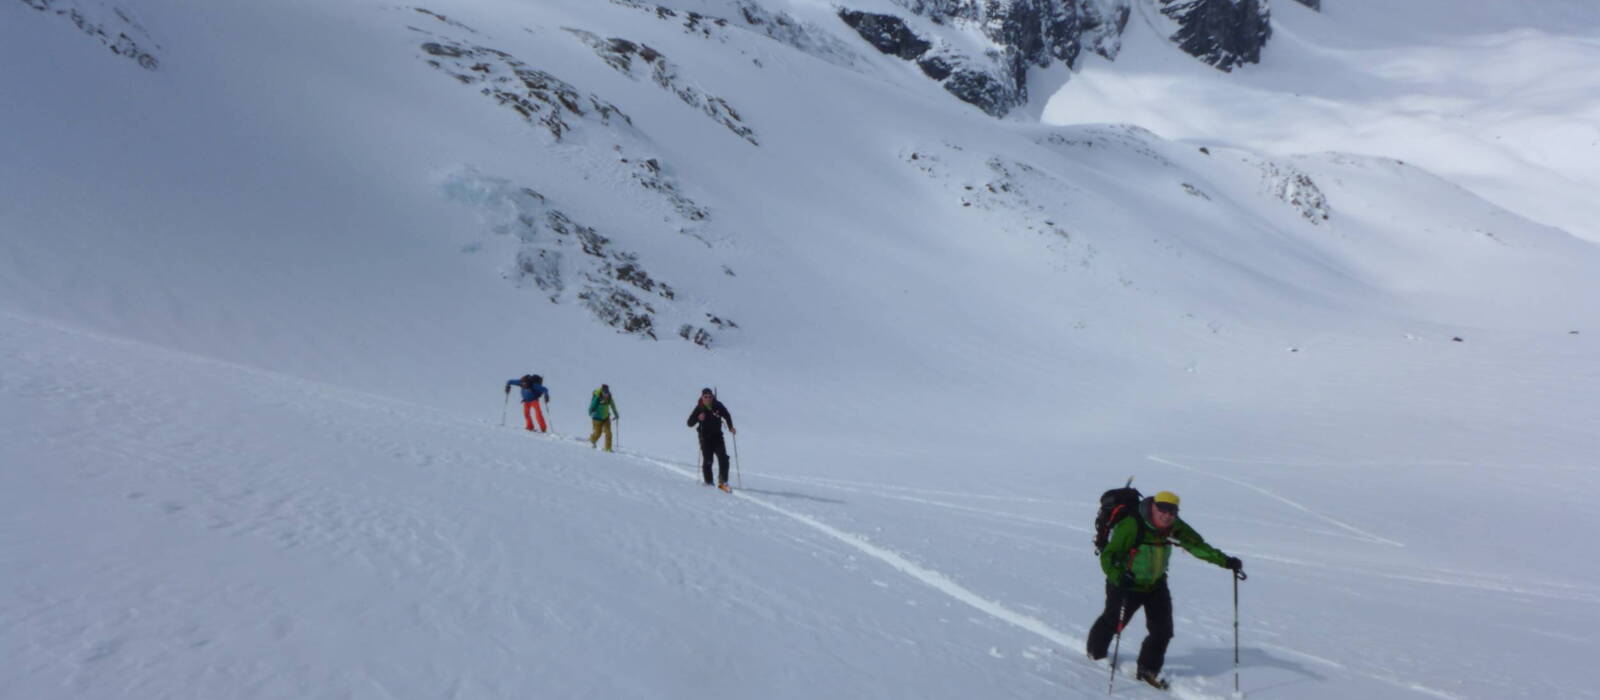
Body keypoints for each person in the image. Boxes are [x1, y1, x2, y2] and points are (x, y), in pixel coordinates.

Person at [1086, 491, 1244, 690]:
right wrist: (1119, 576)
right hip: (1126, 584)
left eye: (1172, 511)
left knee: (1163, 631)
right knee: (1114, 621)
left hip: (1156, 584)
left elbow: (1196, 545)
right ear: (1153, 507)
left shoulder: (1174, 526)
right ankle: (1095, 655)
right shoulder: (1132, 525)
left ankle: (1147, 670)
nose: (1167, 515)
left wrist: (1225, 561)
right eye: (1163, 509)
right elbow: (1109, 556)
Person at [686, 388, 735, 491]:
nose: (708, 398)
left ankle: (723, 482)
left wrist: (730, 427)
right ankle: (709, 482)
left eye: (710, 396)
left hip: (717, 436)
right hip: (705, 437)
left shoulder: (718, 405)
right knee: (708, 460)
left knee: (723, 458)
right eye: (705, 397)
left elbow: (727, 415)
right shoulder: (699, 407)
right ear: (702, 397)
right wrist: (698, 418)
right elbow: (689, 423)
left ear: (712, 396)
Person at [588, 384, 618, 451]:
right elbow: (592, 405)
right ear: (602, 392)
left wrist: (616, 414)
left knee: (608, 432)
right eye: (605, 393)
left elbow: (613, 406)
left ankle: (608, 448)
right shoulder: (598, 397)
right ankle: (592, 440)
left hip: (606, 417)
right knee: (598, 432)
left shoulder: (609, 398)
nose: (606, 395)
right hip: (596, 418)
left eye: (607, 393)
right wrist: (590, 412)